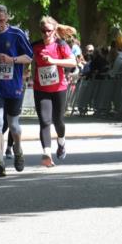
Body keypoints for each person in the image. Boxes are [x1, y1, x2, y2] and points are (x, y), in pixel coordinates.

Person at [0, 4, 33, 176]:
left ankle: (18, 151)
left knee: (14, 125)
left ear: (7, 18)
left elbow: (29, 56)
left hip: (13, 85)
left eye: (1, 21)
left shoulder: (17, 34)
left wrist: (12, 59)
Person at [32, 16, 76, 167]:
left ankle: (61, 141)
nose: (45, 34)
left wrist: (53, 61)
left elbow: (73, 62)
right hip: (40, 88)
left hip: (59, 88)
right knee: (45, 121)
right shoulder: (35, 46)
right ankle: (47, 153)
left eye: (48, 31)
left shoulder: (60, 45)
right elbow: (25, 58)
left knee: (58, 121)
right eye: (42, 31)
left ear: (54, 30)